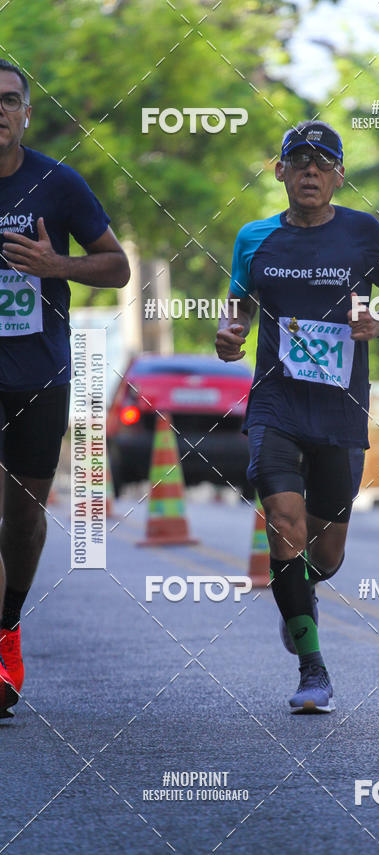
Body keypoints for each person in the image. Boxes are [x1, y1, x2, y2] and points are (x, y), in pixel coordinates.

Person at [216, 120, 379, 713]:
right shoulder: (254, 238)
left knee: (323, 558)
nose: (310, 171)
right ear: (280, 171)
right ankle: (312, 669)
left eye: (322, 162)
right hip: (275, 405)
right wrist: (230, 336)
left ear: (337, 174)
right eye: (298, 161)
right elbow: (238, 311)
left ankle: (299, 595)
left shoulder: (362, 233)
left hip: (339, 408)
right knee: (284, 522)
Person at [0, 60, 130, 716]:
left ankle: (8, 625)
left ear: (26, 113)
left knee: (22, 519)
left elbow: (119, 267)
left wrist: (57, 265)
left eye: (9, 100)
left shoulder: (58, 183)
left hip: (37, 378)